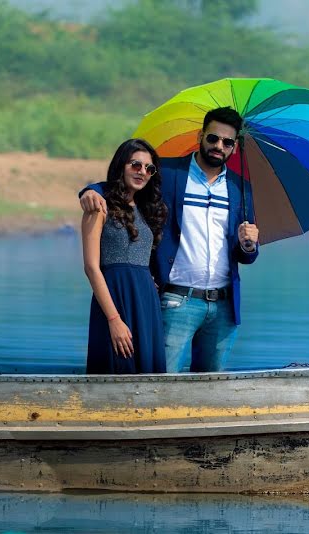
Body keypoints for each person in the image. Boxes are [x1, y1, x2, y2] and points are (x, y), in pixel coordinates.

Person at [80, 107, 260, 373]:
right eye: (213, 138)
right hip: (176, 300)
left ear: (234, 147)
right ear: (201, 136)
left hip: (223, 307)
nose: (218, 146)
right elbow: (127, 181)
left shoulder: (239, 187)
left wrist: (249, 245)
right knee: (161, 381)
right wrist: (89, 191)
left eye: (227, 142)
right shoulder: (170, 172)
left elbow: (246, 254)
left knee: (212, 386)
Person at [83, 138, 168, 374]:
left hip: (146, 302)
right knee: (115, 368)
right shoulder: (99, 206)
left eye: (149, 169)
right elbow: (91, 267)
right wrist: (113, 319)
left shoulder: (146, 209)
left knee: (148, 373)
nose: (142, 172)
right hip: (115, 300)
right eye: (135, 165)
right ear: (122, 165)